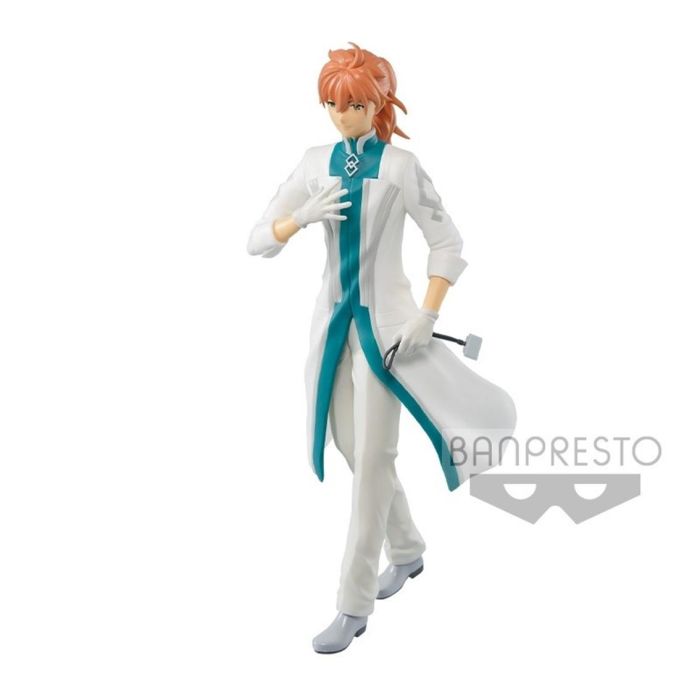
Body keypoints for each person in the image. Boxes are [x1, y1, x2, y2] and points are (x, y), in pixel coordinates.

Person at [247, 42, 516, 653]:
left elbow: (447, 243)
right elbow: (257, 240)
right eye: (332, 105)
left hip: (387, 336)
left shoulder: (399, 167)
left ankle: (353, 603)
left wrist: (428, 313)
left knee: (372, 462)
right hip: (332, 331)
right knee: (353, 449)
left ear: (378, 105)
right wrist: (299, 218)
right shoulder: (313, 164)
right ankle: (409, 548)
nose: (343, 116)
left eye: (355, 105)